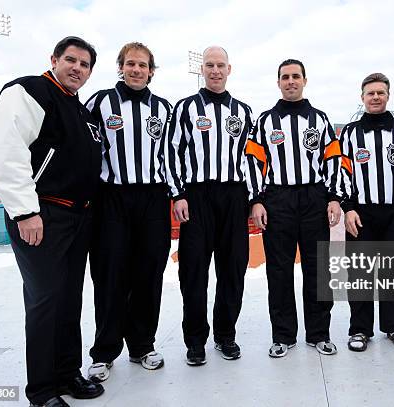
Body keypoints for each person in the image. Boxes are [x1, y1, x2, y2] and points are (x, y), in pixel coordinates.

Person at [0, 36, 104, 407]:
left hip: (76, 215)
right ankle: (42, 391)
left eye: (84, 65)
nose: (77, 69)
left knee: (69, 299)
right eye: (71, 60)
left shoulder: (78, 109)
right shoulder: (31, 90)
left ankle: (68, 374)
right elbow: (2, 145)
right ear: (53, 59)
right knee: (45, 300)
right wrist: (24, 210)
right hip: (42, 214)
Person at [84, 42, 173, 382]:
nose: (137, 70)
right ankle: (104, 351)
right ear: (121, 67)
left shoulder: (163, 108)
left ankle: (142, 345)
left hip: (152, 198)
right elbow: (85, 150)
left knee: (148, 275)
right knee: (109, 276)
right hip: (112, 198)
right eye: (131, 64)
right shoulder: (100, 101)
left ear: (152, 70)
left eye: (143, 65)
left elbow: (171, 155)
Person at [246, 58, 342, 358]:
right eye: (285, 77)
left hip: (314, 199)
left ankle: (318, 334)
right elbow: (252, 163)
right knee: (279, 270)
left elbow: (333, 161)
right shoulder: (264, 121)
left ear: (304, 80)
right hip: (278, 200)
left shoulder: (321, 120)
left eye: (296, 76)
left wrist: (334, 198)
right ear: (278, 82)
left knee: (318, 268)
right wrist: (257, 200)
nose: (290, 81)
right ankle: (283, 335)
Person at [165, 46, 253, 366]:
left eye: (220, 65)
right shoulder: (185, 107)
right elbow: (171, 152)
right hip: (197, 196)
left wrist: (253, 199)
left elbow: (251, 160)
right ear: (202, 69)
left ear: (230, 69)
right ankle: (195, 341)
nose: (215, 70)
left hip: (233, 198)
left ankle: (225, 335)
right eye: (209, 65)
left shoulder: (243, 112)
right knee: (194, 272)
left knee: (232, 270)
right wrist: (179, 194)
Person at [339, 73, 394, 352]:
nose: (375, 97)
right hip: (361, 213)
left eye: (380, 92)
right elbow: (342, 172)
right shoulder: (351, 133)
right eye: (370, 93)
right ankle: (360, 329)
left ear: (388, 95)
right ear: (362, 97)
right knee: (360, 274)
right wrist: (348, 208)